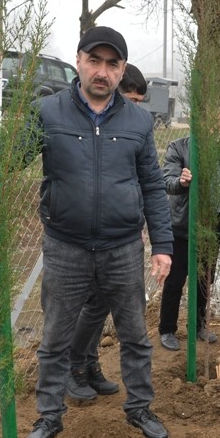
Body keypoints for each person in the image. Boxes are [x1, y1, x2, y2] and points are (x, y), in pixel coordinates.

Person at [23, 26, 174, 438]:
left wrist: (162, 246)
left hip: (123, 246)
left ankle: (140, 407)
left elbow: (152, 187)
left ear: (121, 69)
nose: (102, 71)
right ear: (79, 61)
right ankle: (49, 416)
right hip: (65, 246)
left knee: (134, 335)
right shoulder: (48, 112)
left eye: (112, 64)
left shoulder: (138, 121)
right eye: (95, 61)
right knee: (54, 338)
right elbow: (12, 158)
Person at [66, 63, 150, 399]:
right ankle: (73, 366)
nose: (135, 108)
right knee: (94, 305)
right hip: (85, 239)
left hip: (120, 234)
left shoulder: (133, 128)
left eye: (139, 102)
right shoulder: (91, 128)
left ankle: (88, 364)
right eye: (131, 99)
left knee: (98, 305)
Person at [158, 126, 220, 350]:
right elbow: (167, 181)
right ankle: (167, 329)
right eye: (214, 120)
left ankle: (198, 326)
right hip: (182, 229)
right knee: (175, 282)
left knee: (205, 282)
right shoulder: (178, 147)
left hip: (210, 231)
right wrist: (182, 182)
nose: (218, 126)